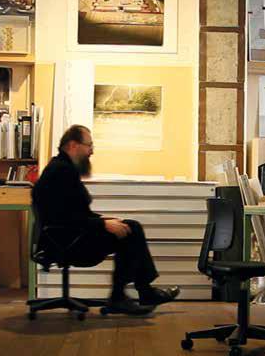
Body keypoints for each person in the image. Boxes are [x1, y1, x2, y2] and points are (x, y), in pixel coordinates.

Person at [32, 124, 180, 315]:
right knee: (131, 230)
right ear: (73, 145)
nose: (92, 151)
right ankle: (131, 294)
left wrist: (104, 220)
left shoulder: (61, 167)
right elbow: (64, 217)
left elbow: (71, 212)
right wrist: (102, 224)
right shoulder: (61, 171)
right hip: (66, 242)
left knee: (127, 227)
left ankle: (134, 293)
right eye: (89, 145)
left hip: (66, 236)